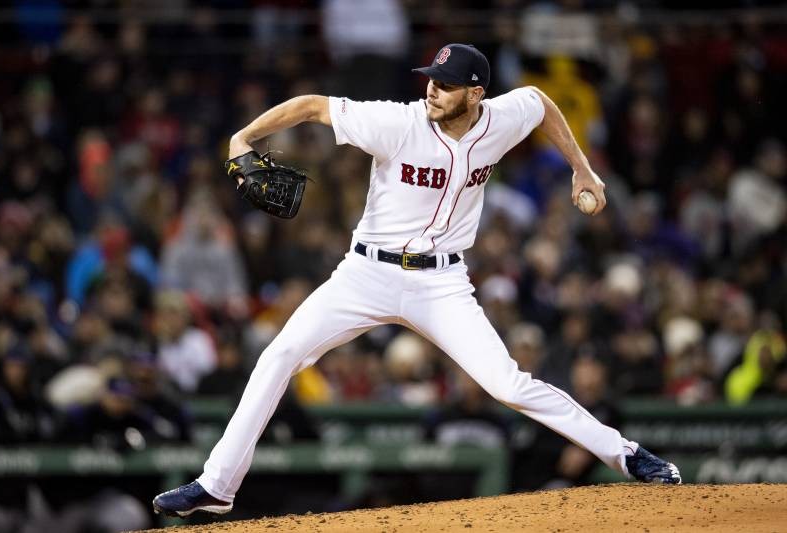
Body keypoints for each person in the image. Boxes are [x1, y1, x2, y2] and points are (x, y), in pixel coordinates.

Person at [153, 43, 681, 518]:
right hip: (366, 273)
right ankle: (217, 484)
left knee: (507, 384)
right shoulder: (397, 123)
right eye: (431, 77)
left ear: (476, 93)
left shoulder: (499, 118)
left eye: (447, 83)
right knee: (279, 355)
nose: (433, 87)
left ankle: (627, 454)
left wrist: (581, 168)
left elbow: (541, 102)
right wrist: (244, 136)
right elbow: (313, 104)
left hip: (442, 285)